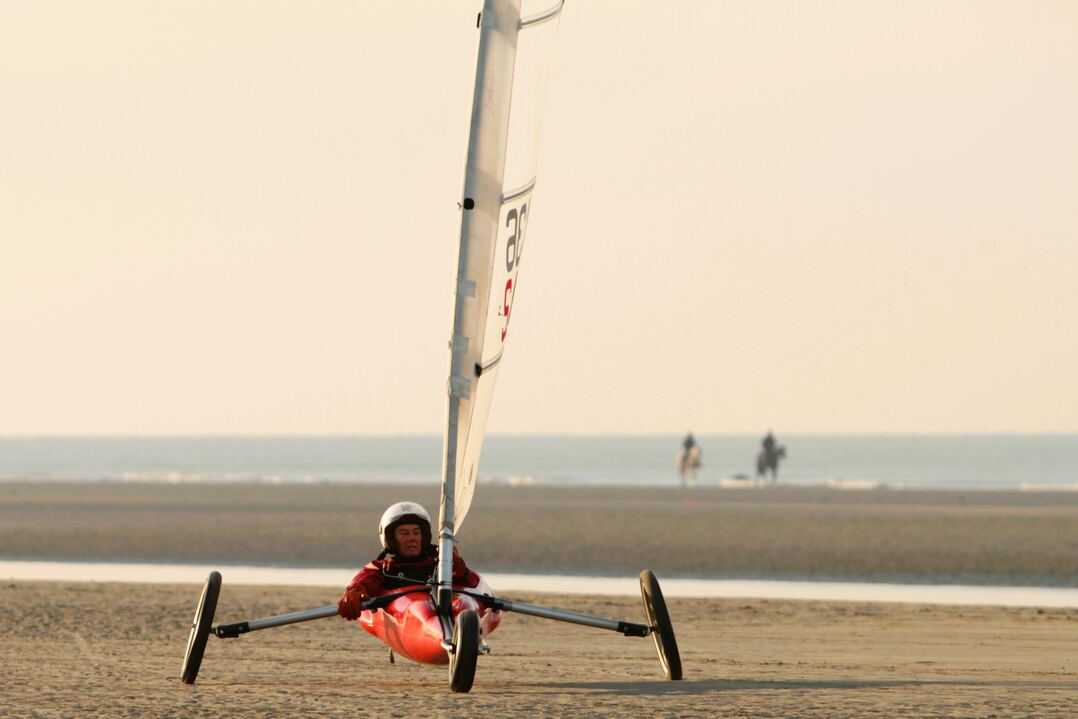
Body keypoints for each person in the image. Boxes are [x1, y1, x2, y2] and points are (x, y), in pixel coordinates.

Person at [337, 501, 480, 620]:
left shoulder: (443, 563)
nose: (412, 538)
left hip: (446, 619)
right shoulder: (383, 570)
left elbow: (471, 583)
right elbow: (361, 583)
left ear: (423, 537)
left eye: (416, 533)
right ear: (392, 540)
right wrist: (353, 594)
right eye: (404, 533)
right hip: (412, 618)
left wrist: (453, 561)